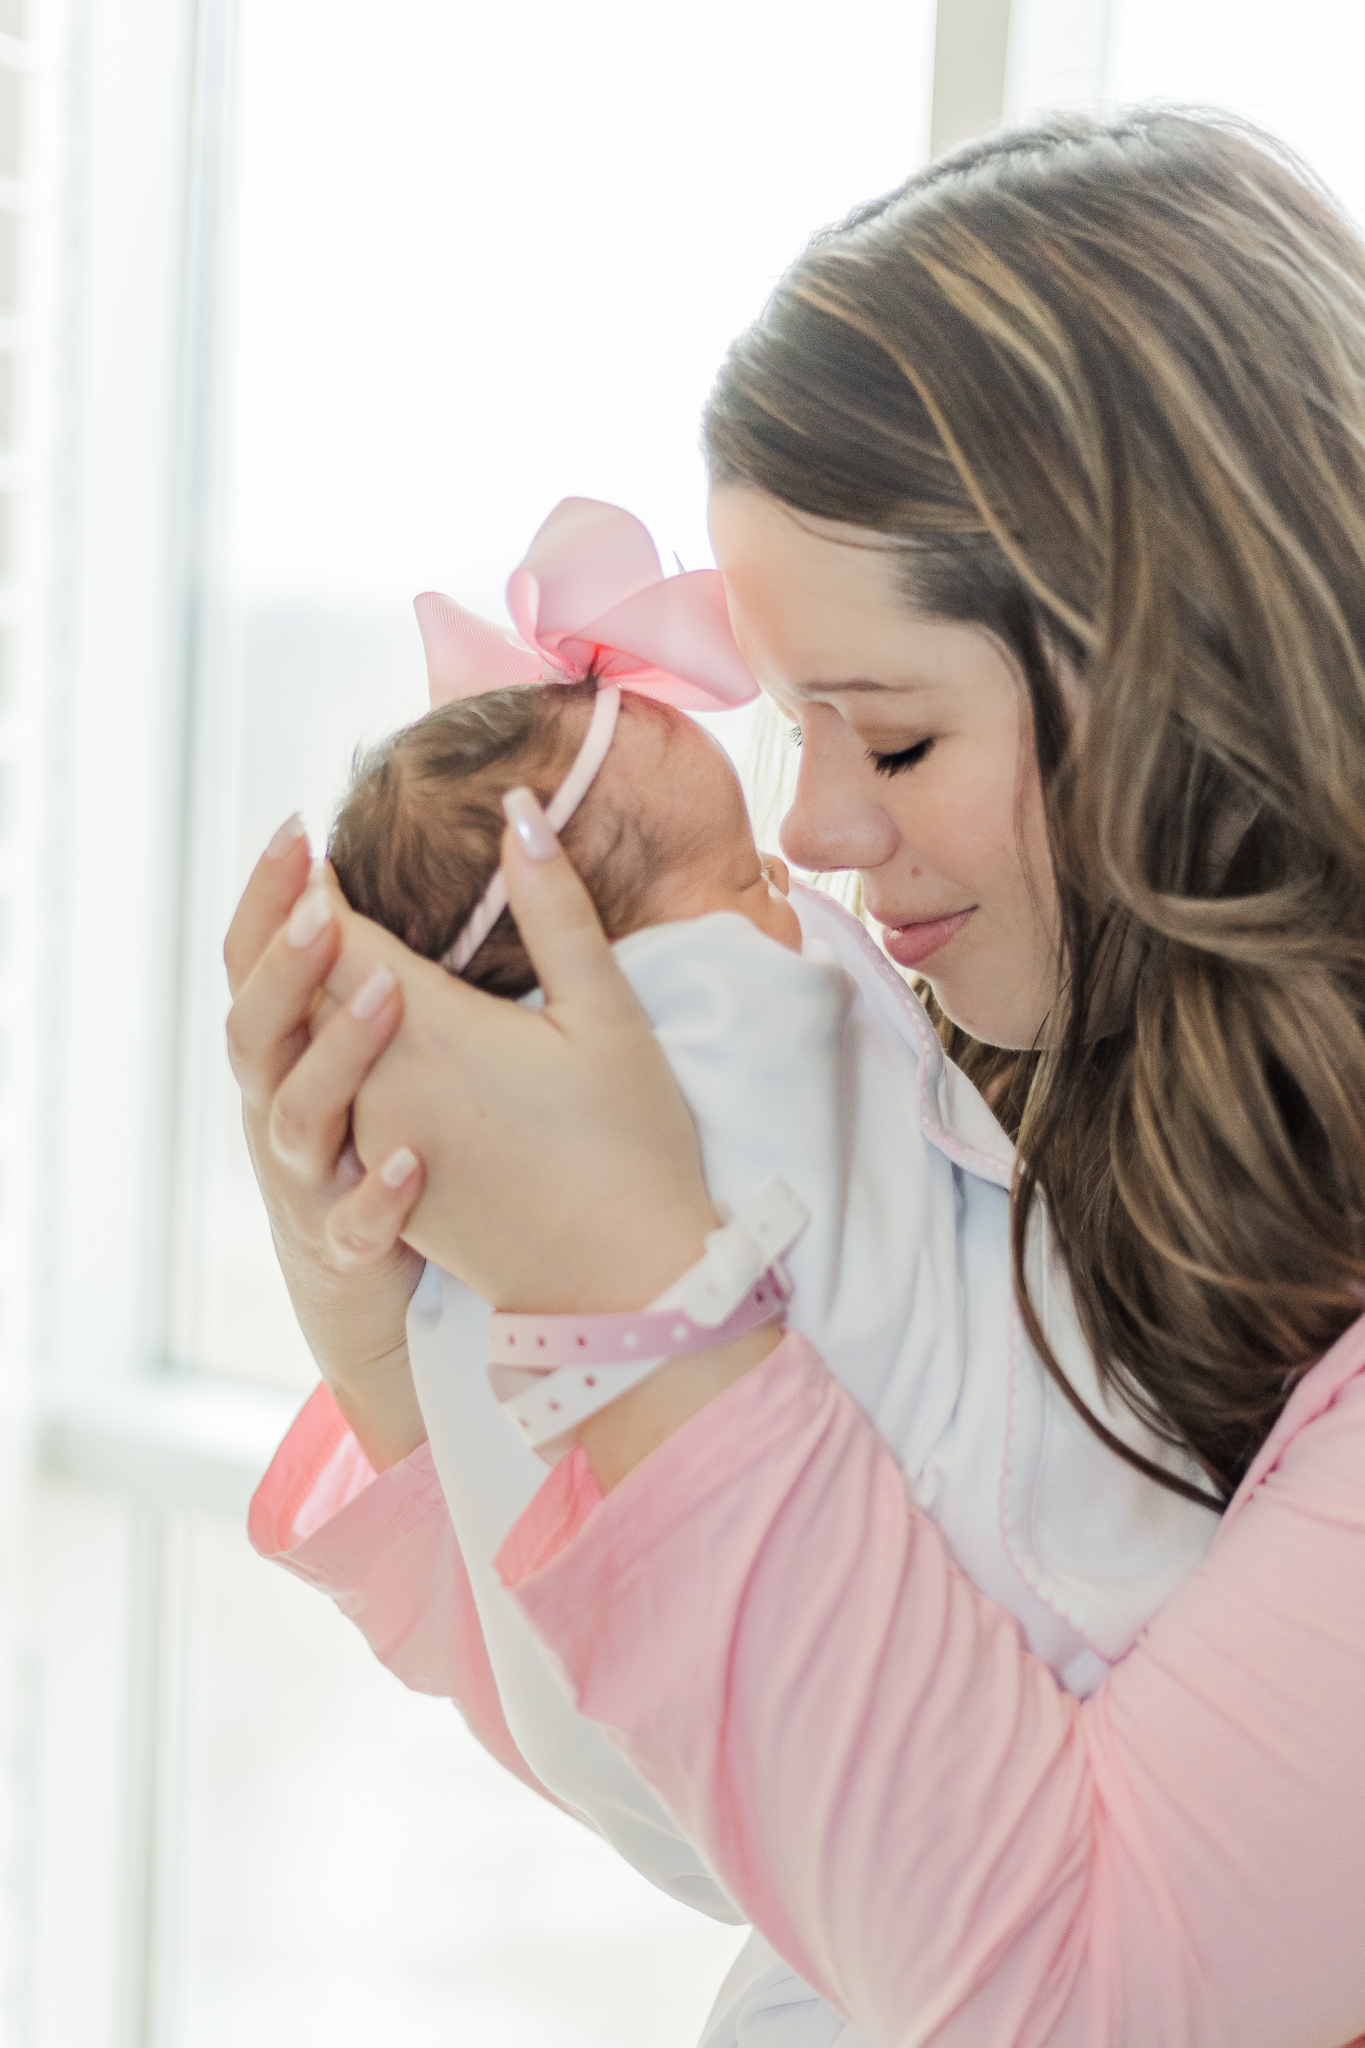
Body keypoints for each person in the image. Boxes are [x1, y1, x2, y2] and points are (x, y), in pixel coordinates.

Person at [230, 109, 1365, 2046]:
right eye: (791, 729)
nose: (823, 834)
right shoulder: (1004, 1103)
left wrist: (646, 1309)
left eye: (897, 745)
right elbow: (728, 1775)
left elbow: (1074, 1995)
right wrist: (388, 1312)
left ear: (1194, 683)